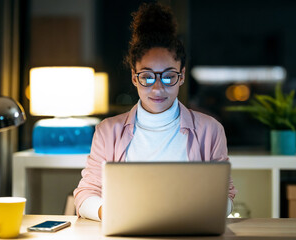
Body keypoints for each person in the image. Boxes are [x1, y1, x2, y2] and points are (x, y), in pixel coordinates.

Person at [74, 2, 237, 221]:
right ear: (134, 77)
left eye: (168, 76)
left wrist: (204, 212)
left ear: (182, 76)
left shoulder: (210, 129)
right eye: (147, 76)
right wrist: (111, 213)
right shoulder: (108, 131)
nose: (158, 88)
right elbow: (86, 194)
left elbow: (226, 195)